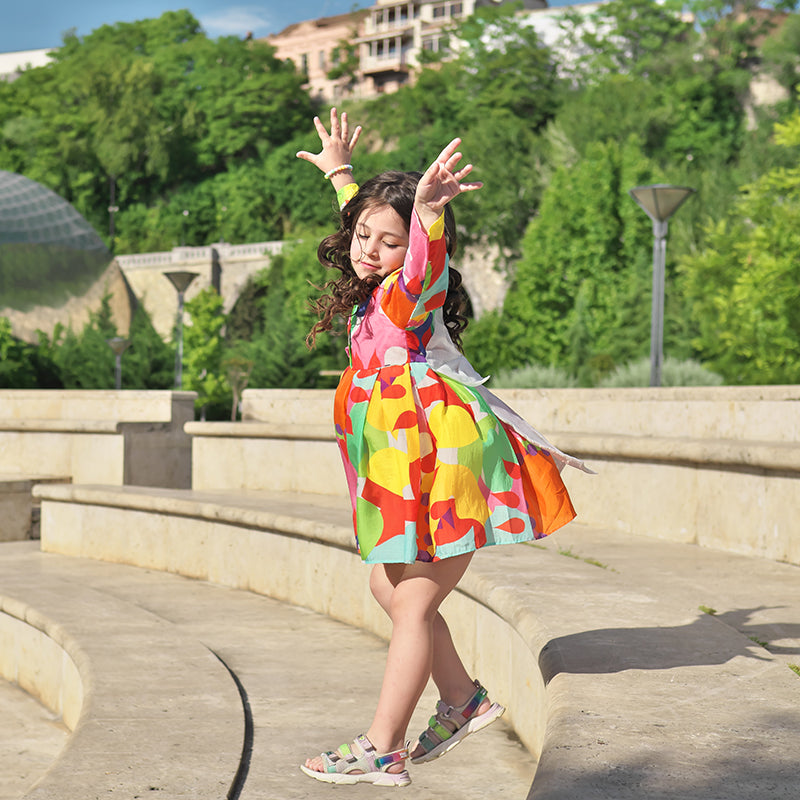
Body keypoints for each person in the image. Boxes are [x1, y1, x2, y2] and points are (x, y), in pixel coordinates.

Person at [296, 109, 587, 787]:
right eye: (363, 237)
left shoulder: (407, 297)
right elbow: (362, 222)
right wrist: (342, 173)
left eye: (387, 243)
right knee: (389, 588)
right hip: (399, 473)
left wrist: (425, 215)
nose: (369, 250)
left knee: (415, 603)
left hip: (439, 471)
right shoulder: (374, 284)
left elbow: (420, 260)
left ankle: (382, 745)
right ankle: (463, 700)